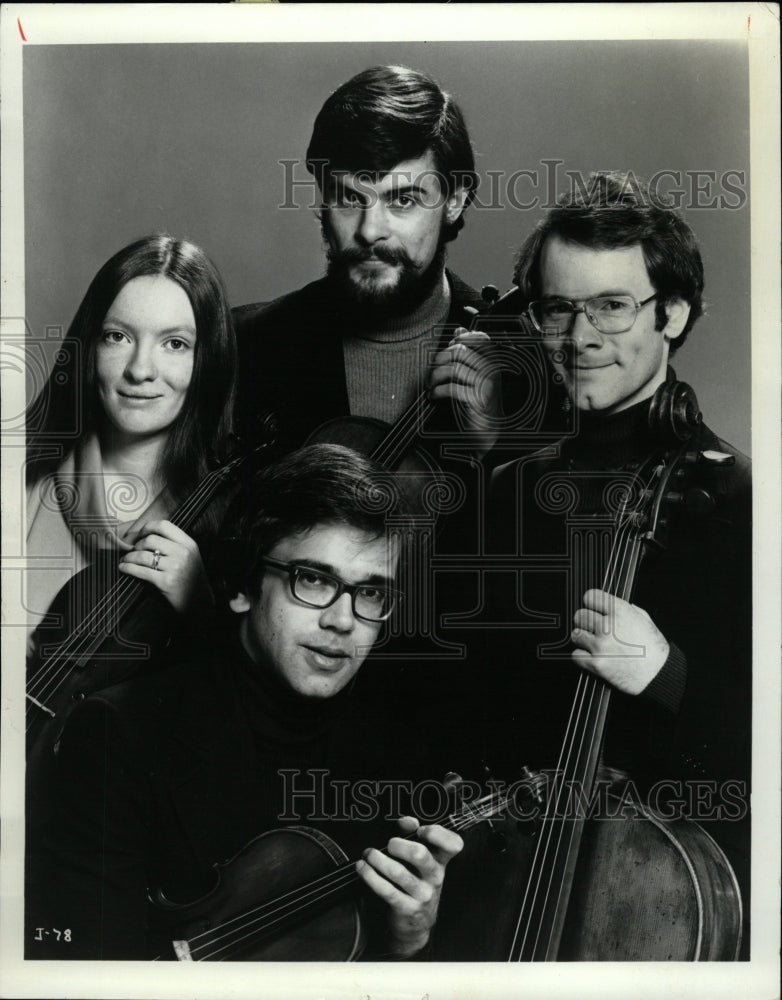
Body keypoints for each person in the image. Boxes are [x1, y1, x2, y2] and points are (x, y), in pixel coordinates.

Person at [25, 444, 463, 961]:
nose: (343, 621)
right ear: (242, 587)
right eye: (314, 579)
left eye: (369, 593)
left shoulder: (398, 751)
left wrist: (406, 941)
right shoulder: (116, 734)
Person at [483, 171, 751, 953]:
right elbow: (450, 714)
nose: (579, 337)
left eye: (610, 306)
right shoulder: (507, 492)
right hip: (507, 888)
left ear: (672, 313)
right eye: (559, 308)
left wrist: (668, 675)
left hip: (660, 907)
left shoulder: (742, 500)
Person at [234, 64, 505, 463]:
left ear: (454, 202)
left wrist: (494, 445)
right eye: (348, 198)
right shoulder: (246, 348)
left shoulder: (520, 362)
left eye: (403, 200)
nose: (369, 231)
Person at [25, 234, 237, 656]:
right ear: (89, 347)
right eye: (117, 337)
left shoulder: (230, 520)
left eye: (175, 344)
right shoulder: (22, 476)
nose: (141, 369)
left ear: (206, 363)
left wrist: (199, 608)